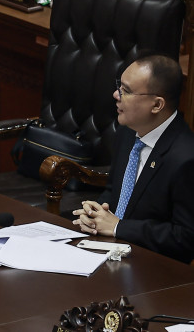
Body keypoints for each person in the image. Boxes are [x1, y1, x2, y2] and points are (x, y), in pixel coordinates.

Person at [72, 54, 194, 263]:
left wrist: (119, 227)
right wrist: (96, 214)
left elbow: (186, 238)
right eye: (120, 86)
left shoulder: (186, 158)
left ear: (156, 105)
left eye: (126, 91)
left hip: (153, 269)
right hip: (108, 251)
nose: (116, 94)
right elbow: (114, 192)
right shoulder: (128, 132)